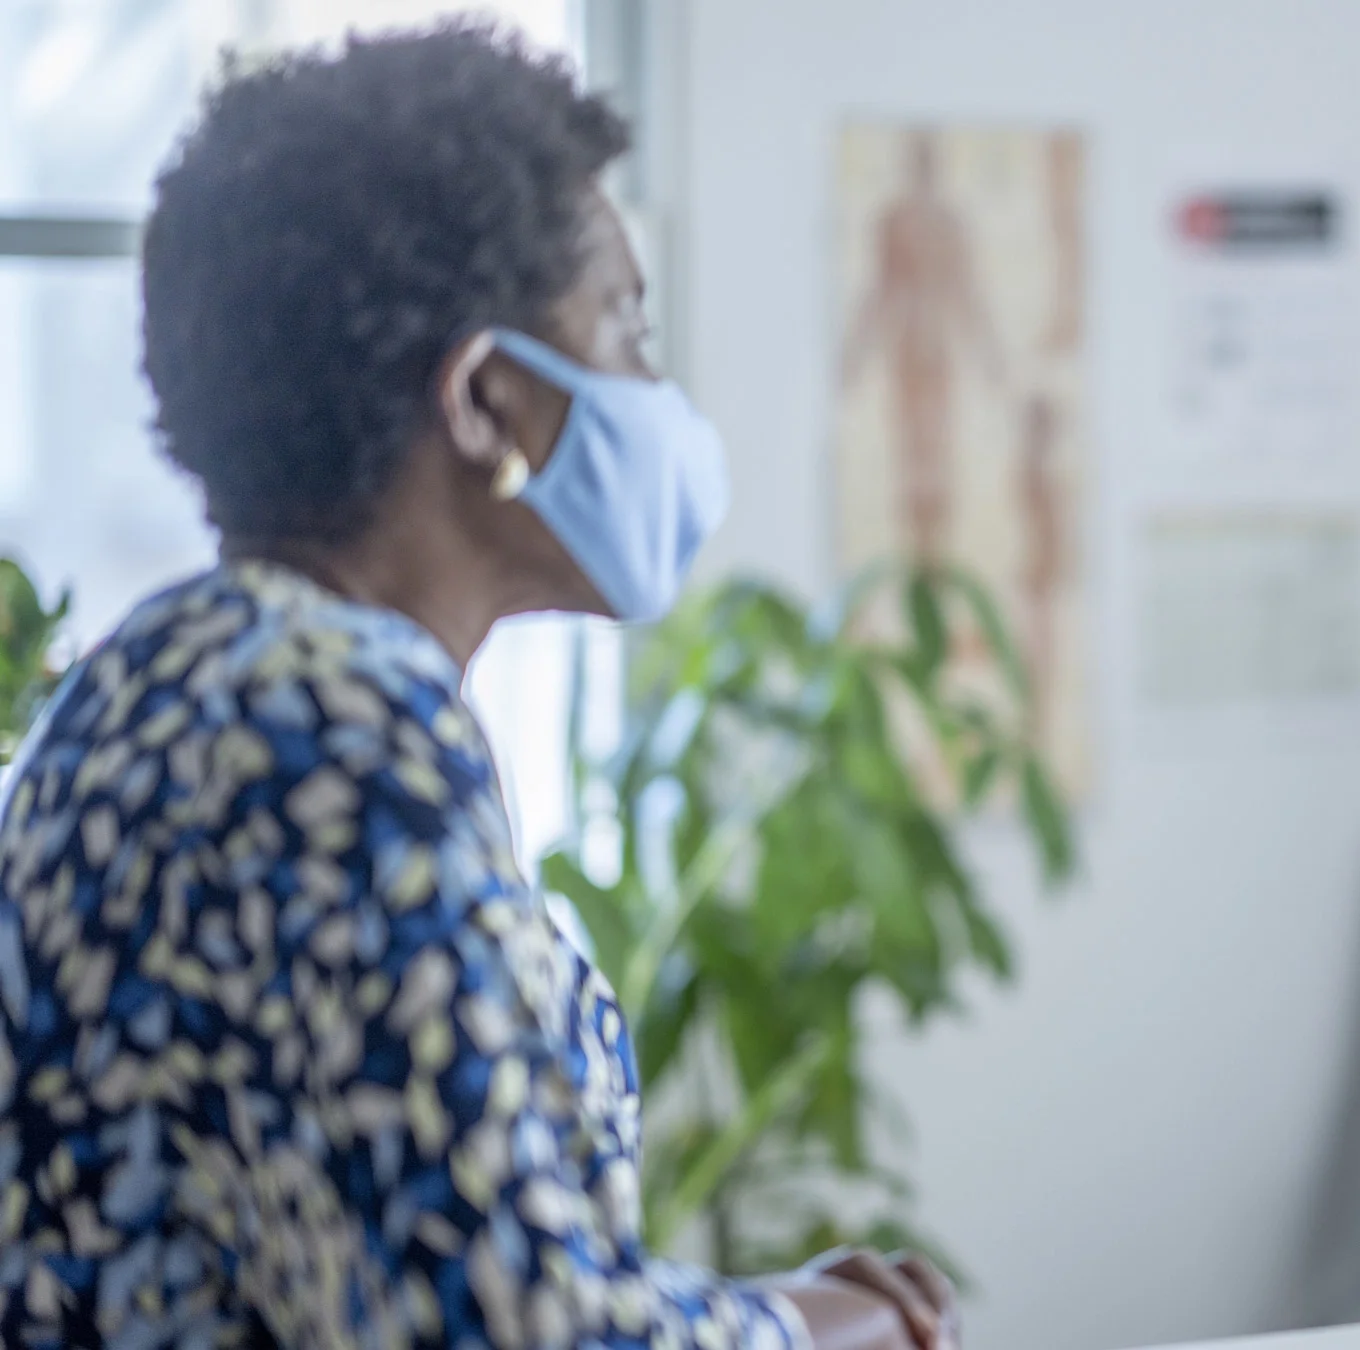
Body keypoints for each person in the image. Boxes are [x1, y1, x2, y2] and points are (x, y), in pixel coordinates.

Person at [0, 26, 955, 1350]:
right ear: (488, 402)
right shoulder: (330, 728)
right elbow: (518, 1330)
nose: (656, 391)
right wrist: (828, 1326)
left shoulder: (154, 689)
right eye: (626, 324)